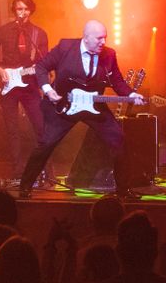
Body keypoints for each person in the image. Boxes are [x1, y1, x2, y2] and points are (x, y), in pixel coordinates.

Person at [19, 19, 145, 200]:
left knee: (119, 140)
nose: (103, 42)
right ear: (86, 38)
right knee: (45, 144)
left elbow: (117, 81)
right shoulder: (65, 47)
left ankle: (123, 191)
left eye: (105, 38)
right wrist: (48, 90)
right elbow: (41, 66)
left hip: (93, 106)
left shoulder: (108, 54)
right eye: (99, 38)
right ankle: (25, 187)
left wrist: (131, 95)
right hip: (64, 106)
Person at [0, 0, 52, 182]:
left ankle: (47, 170)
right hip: (8, 85)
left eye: (26, 9)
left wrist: (46, 76)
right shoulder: (4, 31)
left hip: (30, 85)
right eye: (19, 9)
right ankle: (18, 172)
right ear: (14, 10)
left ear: (31, 10)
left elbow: (44, 62)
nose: (23, 12)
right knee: (12, 129)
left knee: (40, 127)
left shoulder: (38, 34)